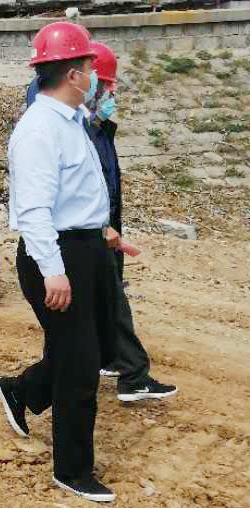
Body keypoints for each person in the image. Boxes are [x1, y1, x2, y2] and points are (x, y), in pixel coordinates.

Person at [0, 21, 119, 503]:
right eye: (89, 66)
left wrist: (101, 229)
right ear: (72, 73)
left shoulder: (71, 120)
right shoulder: (39, 130)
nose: (94, 75)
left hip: (85, 247)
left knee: (99, 346)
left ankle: (21, 390)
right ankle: (72, 469)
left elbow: (77, 190)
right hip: (56, 255)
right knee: (79, 364)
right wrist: (53, 270)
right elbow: (34, 211)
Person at [86, 42, 177, 403]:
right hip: (94, 229)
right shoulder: (81, 131)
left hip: (105, 225)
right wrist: (102, 227)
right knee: (113, 303)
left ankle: (109, 359)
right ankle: (133, 375)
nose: (112, 95)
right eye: (107, 87)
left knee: (103, 301)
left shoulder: (99, 128)